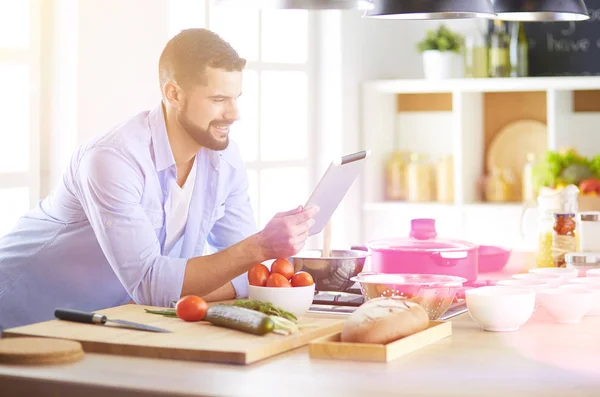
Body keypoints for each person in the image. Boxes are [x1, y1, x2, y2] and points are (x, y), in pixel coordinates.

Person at [0, 28, 318, 331]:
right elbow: (152, 285)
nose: (234, 113)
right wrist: (259, 247)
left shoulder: (225, 160)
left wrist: (184, 287)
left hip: (98, 323)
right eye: (219, 99)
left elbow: (247, 275)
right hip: (17, 317)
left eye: (236, 98)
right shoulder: (113, 159)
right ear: (174, 93)